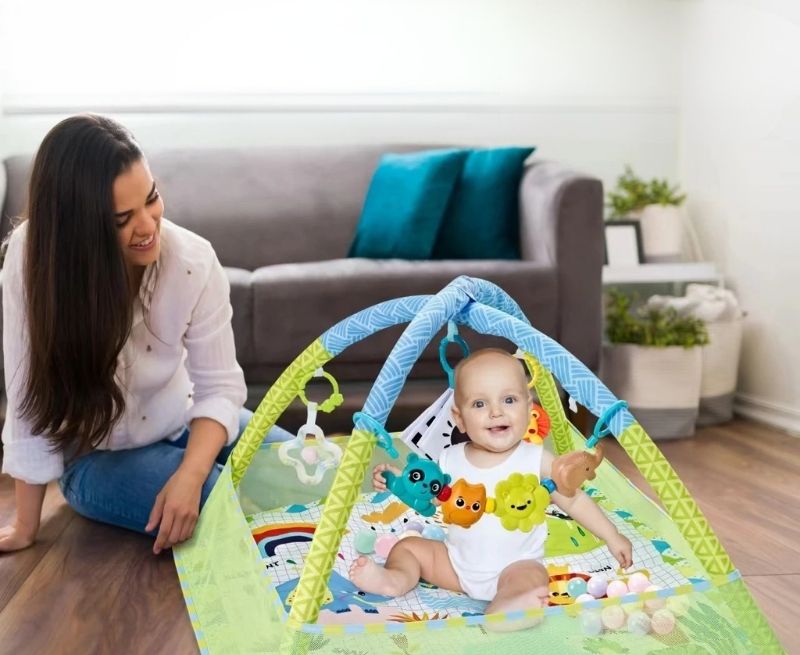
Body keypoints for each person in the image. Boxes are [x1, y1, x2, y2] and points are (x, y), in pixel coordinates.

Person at [0, 114, 290, 555]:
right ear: (80, 229)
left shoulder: (192, 260)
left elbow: (220, 388)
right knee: (218, 505)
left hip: (181, 422)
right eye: (122, 219)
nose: (148, 225)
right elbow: (27, 400)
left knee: (312, 475)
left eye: (151, 198)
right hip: (96, 458)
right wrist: (25, 524)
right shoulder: (29, 260)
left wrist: (190, 474)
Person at [350, 348, 633, 616]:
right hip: (455, 565)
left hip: (515, 565)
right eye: (480, 403)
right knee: (408, 547)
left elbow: (574, 499)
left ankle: (509, 606)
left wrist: (611, 535)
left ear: (529, 408)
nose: (496, 412)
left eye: (509, 400)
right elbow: (428, 493)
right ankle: (394, 579)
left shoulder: (536, 460)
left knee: (532, 578)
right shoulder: (449, 458)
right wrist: (396, 482)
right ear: (459, 419)